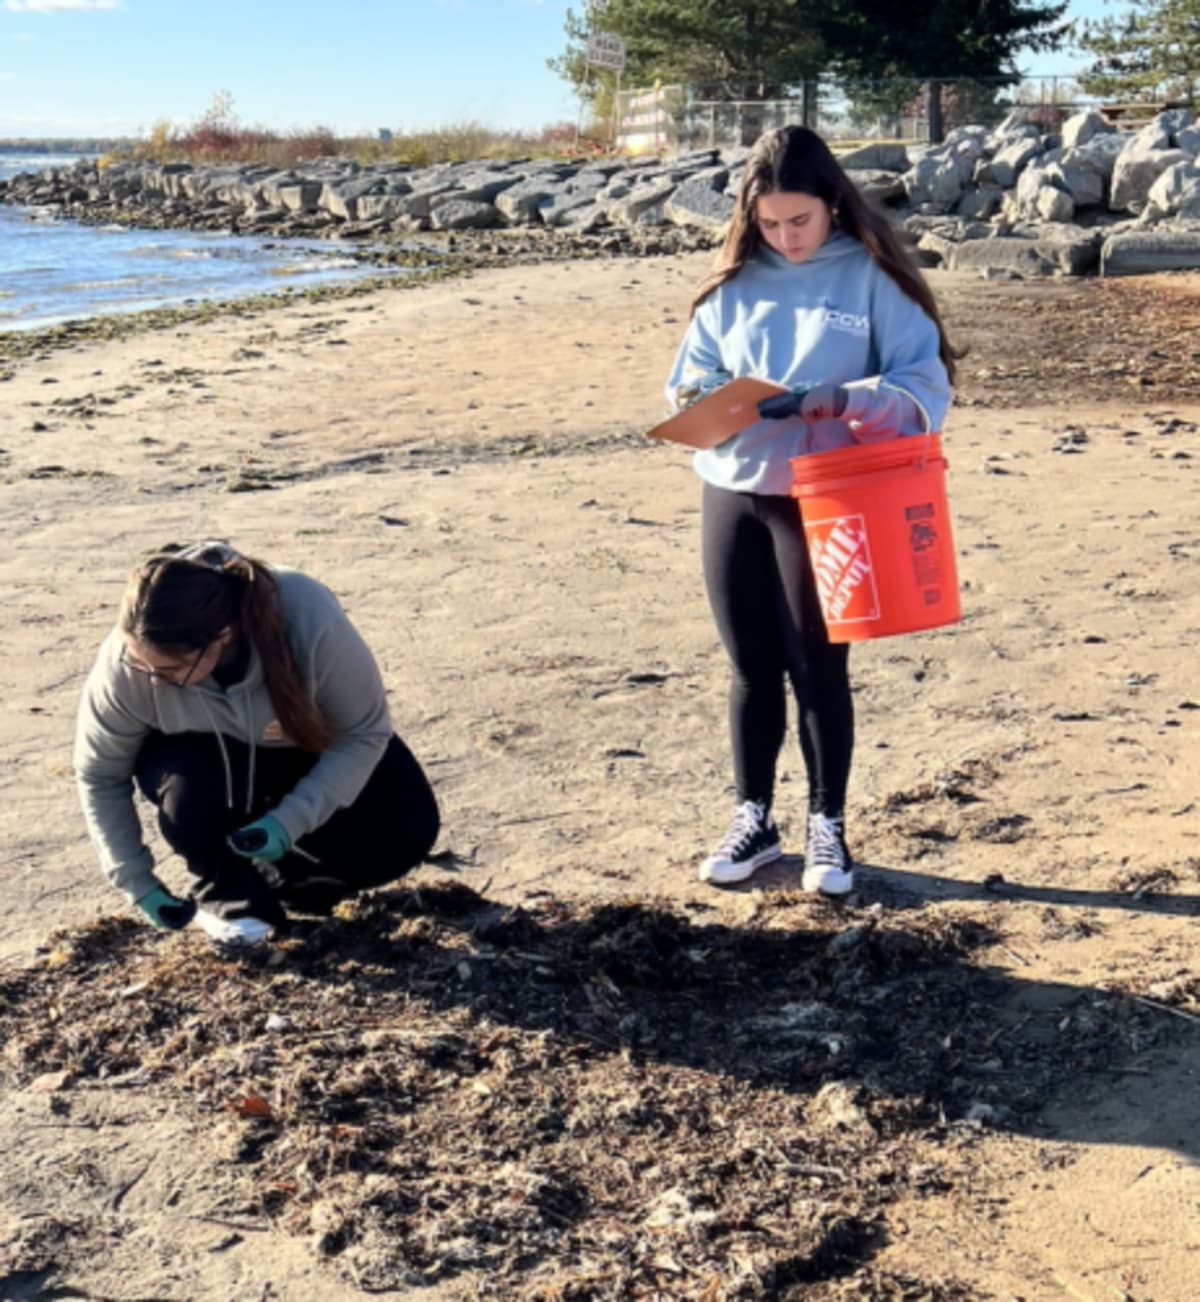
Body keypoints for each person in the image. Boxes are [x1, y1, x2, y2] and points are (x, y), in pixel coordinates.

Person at [665, 125, 958, 895]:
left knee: (818, 667)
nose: (785, 238)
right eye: (769, 225)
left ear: (831, 205)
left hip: (825, 499)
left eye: (799, 221)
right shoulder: (732, 285)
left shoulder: (869, 279)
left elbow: (925, 389)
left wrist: (850, 398)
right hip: (732, 489)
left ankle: (828, 828)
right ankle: (753, 820)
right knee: (749, 668)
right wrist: (713, 403)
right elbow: (686, 383)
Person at [74, 541, 440, 945]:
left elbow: (364, 734)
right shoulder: (128, 668)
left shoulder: (306, 615)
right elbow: (99, 775)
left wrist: (288, 823)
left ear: (222, 637)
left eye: (170, 670)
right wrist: (134, 881)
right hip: (199, 766)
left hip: (302, 744)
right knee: (189, 793)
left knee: (407, 830)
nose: (152, 680)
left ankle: (285, 880)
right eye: (140, 664)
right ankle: (229, 899)